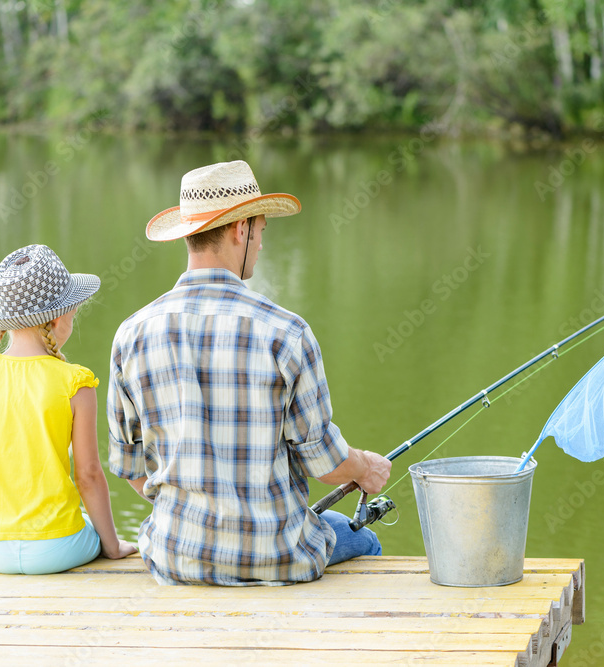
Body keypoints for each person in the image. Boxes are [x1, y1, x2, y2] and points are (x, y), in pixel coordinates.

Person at [108, 160, 392, 586]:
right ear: (240, 230)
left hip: (174, 557)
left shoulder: (132, 334)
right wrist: (365, 467)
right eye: (260, 231)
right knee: (364, 541)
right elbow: (326, 464)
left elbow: (131, 467)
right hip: (278, 558)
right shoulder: (286, 333)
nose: (260, 245)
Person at [0, 244, 135, 574]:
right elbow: (89, 476)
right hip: (55, 549)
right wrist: (112, 547)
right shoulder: (75, 383)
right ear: (57, 319)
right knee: (83, 523)